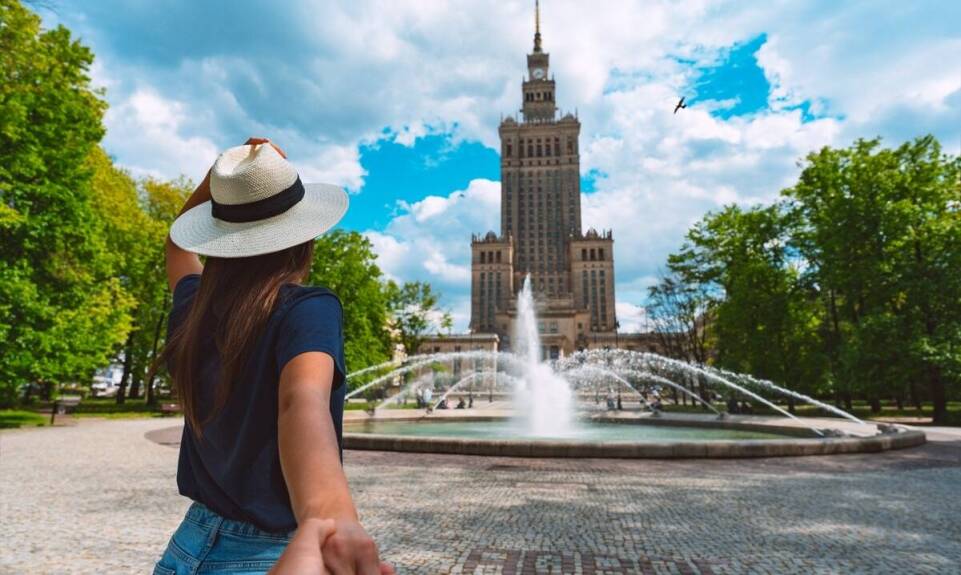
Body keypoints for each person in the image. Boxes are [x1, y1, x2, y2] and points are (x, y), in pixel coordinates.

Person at [154, 139, 393, 575]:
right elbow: (300, 400)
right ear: (304, 239)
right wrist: (330, 515)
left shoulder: (193, 305)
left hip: (187, 548)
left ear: (218, 238)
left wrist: (226, 174)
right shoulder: (307, 309)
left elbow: (175, 244)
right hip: (264, 557)